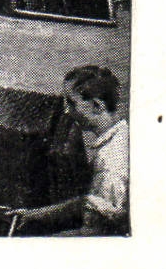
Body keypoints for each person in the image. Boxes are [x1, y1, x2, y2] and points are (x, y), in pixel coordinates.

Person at [11, 66, 128, 235]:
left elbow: (94, 234)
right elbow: (86, 202)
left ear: (97, 106)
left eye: (72, 104)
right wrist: (33, 215)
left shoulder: (110, 163)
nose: (67, 111)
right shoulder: (122, 134)